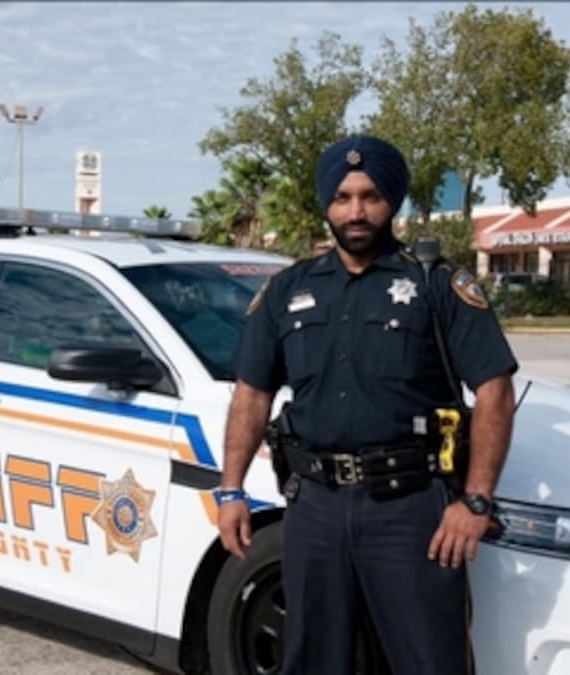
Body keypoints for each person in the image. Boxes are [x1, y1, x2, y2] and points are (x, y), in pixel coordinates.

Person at [215, 135, 518, 674]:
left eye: (370, 196)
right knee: (312, 660)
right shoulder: (287, 290)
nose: (355, 211)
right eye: (342, 197)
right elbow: (252, 394)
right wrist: (231, 489)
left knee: (430, 661)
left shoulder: (437, 285)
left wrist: (475, 501)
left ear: (391, 202)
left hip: (411, 510)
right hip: (314, 509)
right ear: (327, 205)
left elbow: (495, 392)